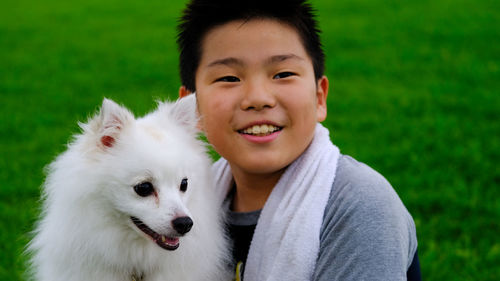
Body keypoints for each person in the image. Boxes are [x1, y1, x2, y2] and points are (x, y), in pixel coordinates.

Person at [176, 0, 421, 280]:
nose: (258, 98)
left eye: (283, 74)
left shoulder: (358, 206)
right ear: (191, 109)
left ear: (319, 97)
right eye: (229, 78)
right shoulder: (178, 203)